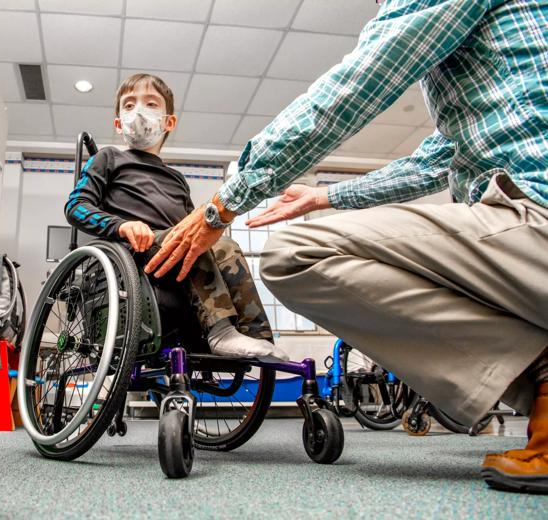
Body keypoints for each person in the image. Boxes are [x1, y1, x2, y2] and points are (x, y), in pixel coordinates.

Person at [145, 0, 548, 494]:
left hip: (535, 214)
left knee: (292, 255)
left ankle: (540, 370)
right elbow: (437, 160)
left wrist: (221, 206)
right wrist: (324, 196)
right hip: (528, 223)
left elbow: (360, 82)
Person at [64, 73, 290, 362]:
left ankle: (256, 337)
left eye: (151, 103)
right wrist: (122, 227)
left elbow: (194, 226)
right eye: (129, 105)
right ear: (118, 123)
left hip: (174, 261)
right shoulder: (108, 158)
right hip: (133, 256)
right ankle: (221, 332)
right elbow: (76, 207)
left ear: (169, 122)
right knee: (187, 240)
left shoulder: (177, 179)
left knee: (224, 247)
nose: (139, 112)